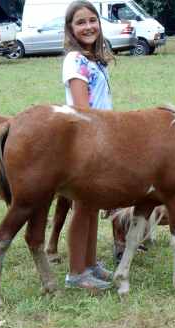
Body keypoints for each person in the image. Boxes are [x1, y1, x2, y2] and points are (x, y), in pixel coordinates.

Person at [62, 0, 114, 290]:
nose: (88, 27)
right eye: (80, 22)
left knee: (92, 204)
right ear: (70, 29)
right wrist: (101, 139)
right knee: (82, 206)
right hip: (85, 141)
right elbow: (83, 109)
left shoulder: (94, 59)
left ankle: (90, 264)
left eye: (92, 20)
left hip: (102, 137)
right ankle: (76, 273)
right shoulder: (74, 61)